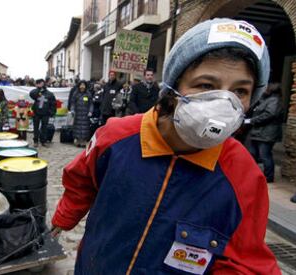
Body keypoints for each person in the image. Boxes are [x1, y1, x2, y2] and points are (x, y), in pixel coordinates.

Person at [51, 18, 280, 274]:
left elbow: (246, 262)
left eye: (240, 91)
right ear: (173, 88)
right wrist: (63, 219)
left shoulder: (244, 176)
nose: (223, 102)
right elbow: (82, 181)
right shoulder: (116, 137)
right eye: (206, 85)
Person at [247, 83, 284, 183]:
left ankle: (269, 177)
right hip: (258, 132)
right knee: (253, 153)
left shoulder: (274, 100)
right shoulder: (266, 99)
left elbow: (269, 114)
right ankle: (252, 173)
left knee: (265, 155)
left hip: (267, 133)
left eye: (267, 88)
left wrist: (252, 120)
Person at [29, 79, 56, 147]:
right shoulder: (36, 93)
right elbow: (31, 93)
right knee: (36, 128)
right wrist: (38, 88)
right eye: (38, 83)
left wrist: (51, 112)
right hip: (36, 113)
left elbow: (53, 104)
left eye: (41, 83)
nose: (40, 84)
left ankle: (43, 141)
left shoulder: (49, 94)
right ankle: (35, 141)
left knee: (44, 128)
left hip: (45, 113)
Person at [70, 81, 93, 147]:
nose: (82, 86)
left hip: (86, 114)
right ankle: (78, 140)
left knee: (85, 128)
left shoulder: (88, 94)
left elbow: (91, 104)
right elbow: (73, 103)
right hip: (77, 113)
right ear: (79, 86)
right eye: (81, 85)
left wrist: (90, 111)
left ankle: (84, 141)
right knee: (77, 128)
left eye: (83, 85)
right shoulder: (76, 93)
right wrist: (72, 110)